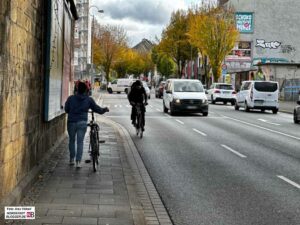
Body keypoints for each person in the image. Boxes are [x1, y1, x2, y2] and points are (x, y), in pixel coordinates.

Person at [65, 81, 109, 168]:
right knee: (80, 142)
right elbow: (98, 109)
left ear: (77, 89)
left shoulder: (71, 98)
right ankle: (78, 162)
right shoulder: (89, 99)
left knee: (72, 140)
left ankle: (71, 159)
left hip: (71, 122)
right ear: (86, 90)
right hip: (82, 122)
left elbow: (66, 110)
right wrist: (105, 109)